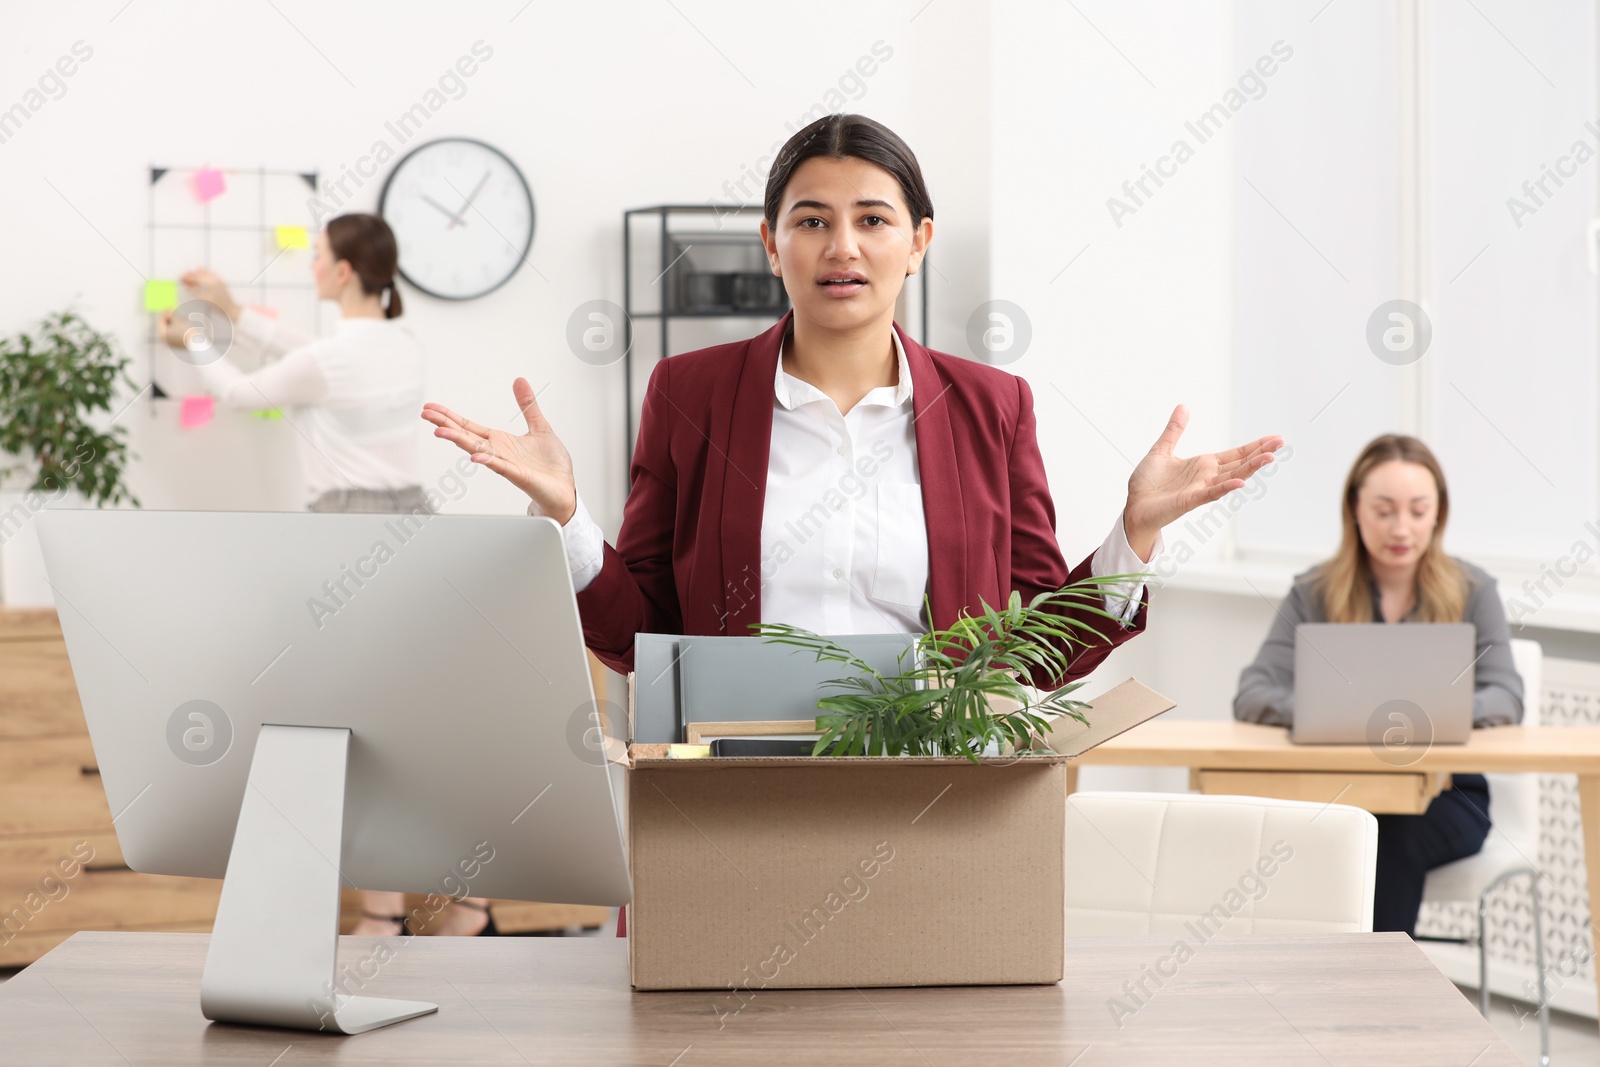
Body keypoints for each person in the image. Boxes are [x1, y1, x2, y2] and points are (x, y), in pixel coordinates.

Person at [157, 213, 494, 937]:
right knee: (413, 726)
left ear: (342, 270)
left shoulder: (338, 357)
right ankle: (469, 900)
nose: (311, 265)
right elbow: (310, 352)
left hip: (349, 537)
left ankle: (384, 915)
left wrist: (198, 339)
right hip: (413, 529)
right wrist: (232, 310)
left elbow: (249, 393)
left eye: (316, 256)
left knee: (359, 731)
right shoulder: (399, 340)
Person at [1234, 433, 1524, 936]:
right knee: (1314, 829)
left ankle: (1375, 1000)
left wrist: (1416, 715)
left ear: (1438, 513)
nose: (1401, 528)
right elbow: (1254, 692)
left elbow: (1506, 695)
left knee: (1385, 833)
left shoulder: (1475, 590)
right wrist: (1335, 713)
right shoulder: (1313, 591)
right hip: (1337, 788)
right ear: (1355, 510)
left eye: (1417, 510)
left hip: (1449, 795)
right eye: (1384, 510)